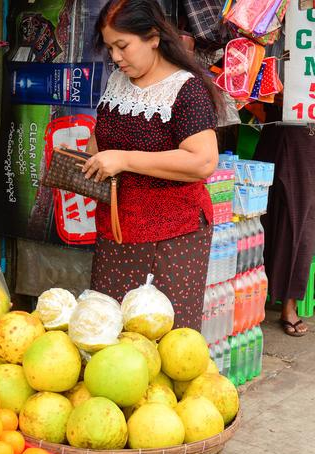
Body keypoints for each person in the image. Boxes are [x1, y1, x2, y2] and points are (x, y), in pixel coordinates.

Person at [83, 0, 221, 330]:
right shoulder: (118, 81)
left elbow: (202, 160)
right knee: (109, 334)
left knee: (161, 339)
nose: (115, 57)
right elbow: (102, 137)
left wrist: (124, 159)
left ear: (153, 37)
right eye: (109, 47)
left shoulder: (186, 90)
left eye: (122, 46)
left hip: (171, 237)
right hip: (116, 233)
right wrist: (86, 159)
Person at [254, 109, 315, 337]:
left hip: (307, 133)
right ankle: (254, 297)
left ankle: (289, 304)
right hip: (278, 125)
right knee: (260, 211)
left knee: (302, 220)